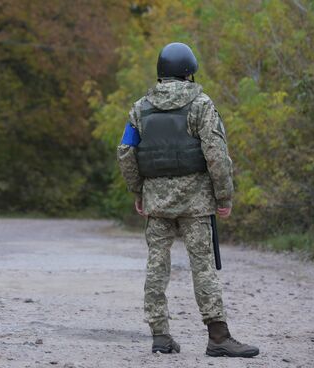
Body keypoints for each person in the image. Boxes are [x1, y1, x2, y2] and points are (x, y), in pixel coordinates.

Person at [117, 42, 259, 357]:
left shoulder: (140, 107)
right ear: (188, 72)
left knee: (157, 265)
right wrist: (224, 195)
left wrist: (138, 190)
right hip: (196, 202)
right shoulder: (202, 104)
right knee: (203, 266)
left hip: (156, 201)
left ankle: (160, 336)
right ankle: (218, 337)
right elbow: (216, 153)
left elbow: (126, 152)